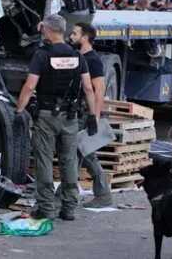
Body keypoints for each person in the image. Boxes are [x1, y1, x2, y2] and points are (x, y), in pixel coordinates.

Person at [14, 14, 98, 221]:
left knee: (44, 160)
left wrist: (19, 110)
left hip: (46, 116)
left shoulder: (42, 55)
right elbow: (88, 87)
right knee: (69, 160)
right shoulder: (78, 56)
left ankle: (47, 207)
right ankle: (69, 207)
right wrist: (93, 116)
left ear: (48, 31)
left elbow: (30, 86)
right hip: (70, 117)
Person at [69, 22, 114, 208]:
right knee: (78, 153)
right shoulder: (80, 57)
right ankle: (68, 193)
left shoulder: (92, 60)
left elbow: (99, 88)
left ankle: (102, 194)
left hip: (84, 114)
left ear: (85, 37)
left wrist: (94, 116)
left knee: (82, 153)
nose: (71, 36)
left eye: (74, 34)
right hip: (78, 112)